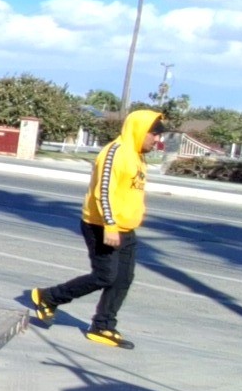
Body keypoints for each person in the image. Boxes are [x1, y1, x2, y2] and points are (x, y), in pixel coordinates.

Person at [28, 109, 163, 349]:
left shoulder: (138, 156)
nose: (156, 139)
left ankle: (103, 326)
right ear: (140, 131)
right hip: (101, 225)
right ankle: (48, 297)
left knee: (123, 279)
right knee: (105, 275)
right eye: (153, 134)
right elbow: (104, 191)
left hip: (124, 228)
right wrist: (110, 225)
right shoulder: (115, 152)